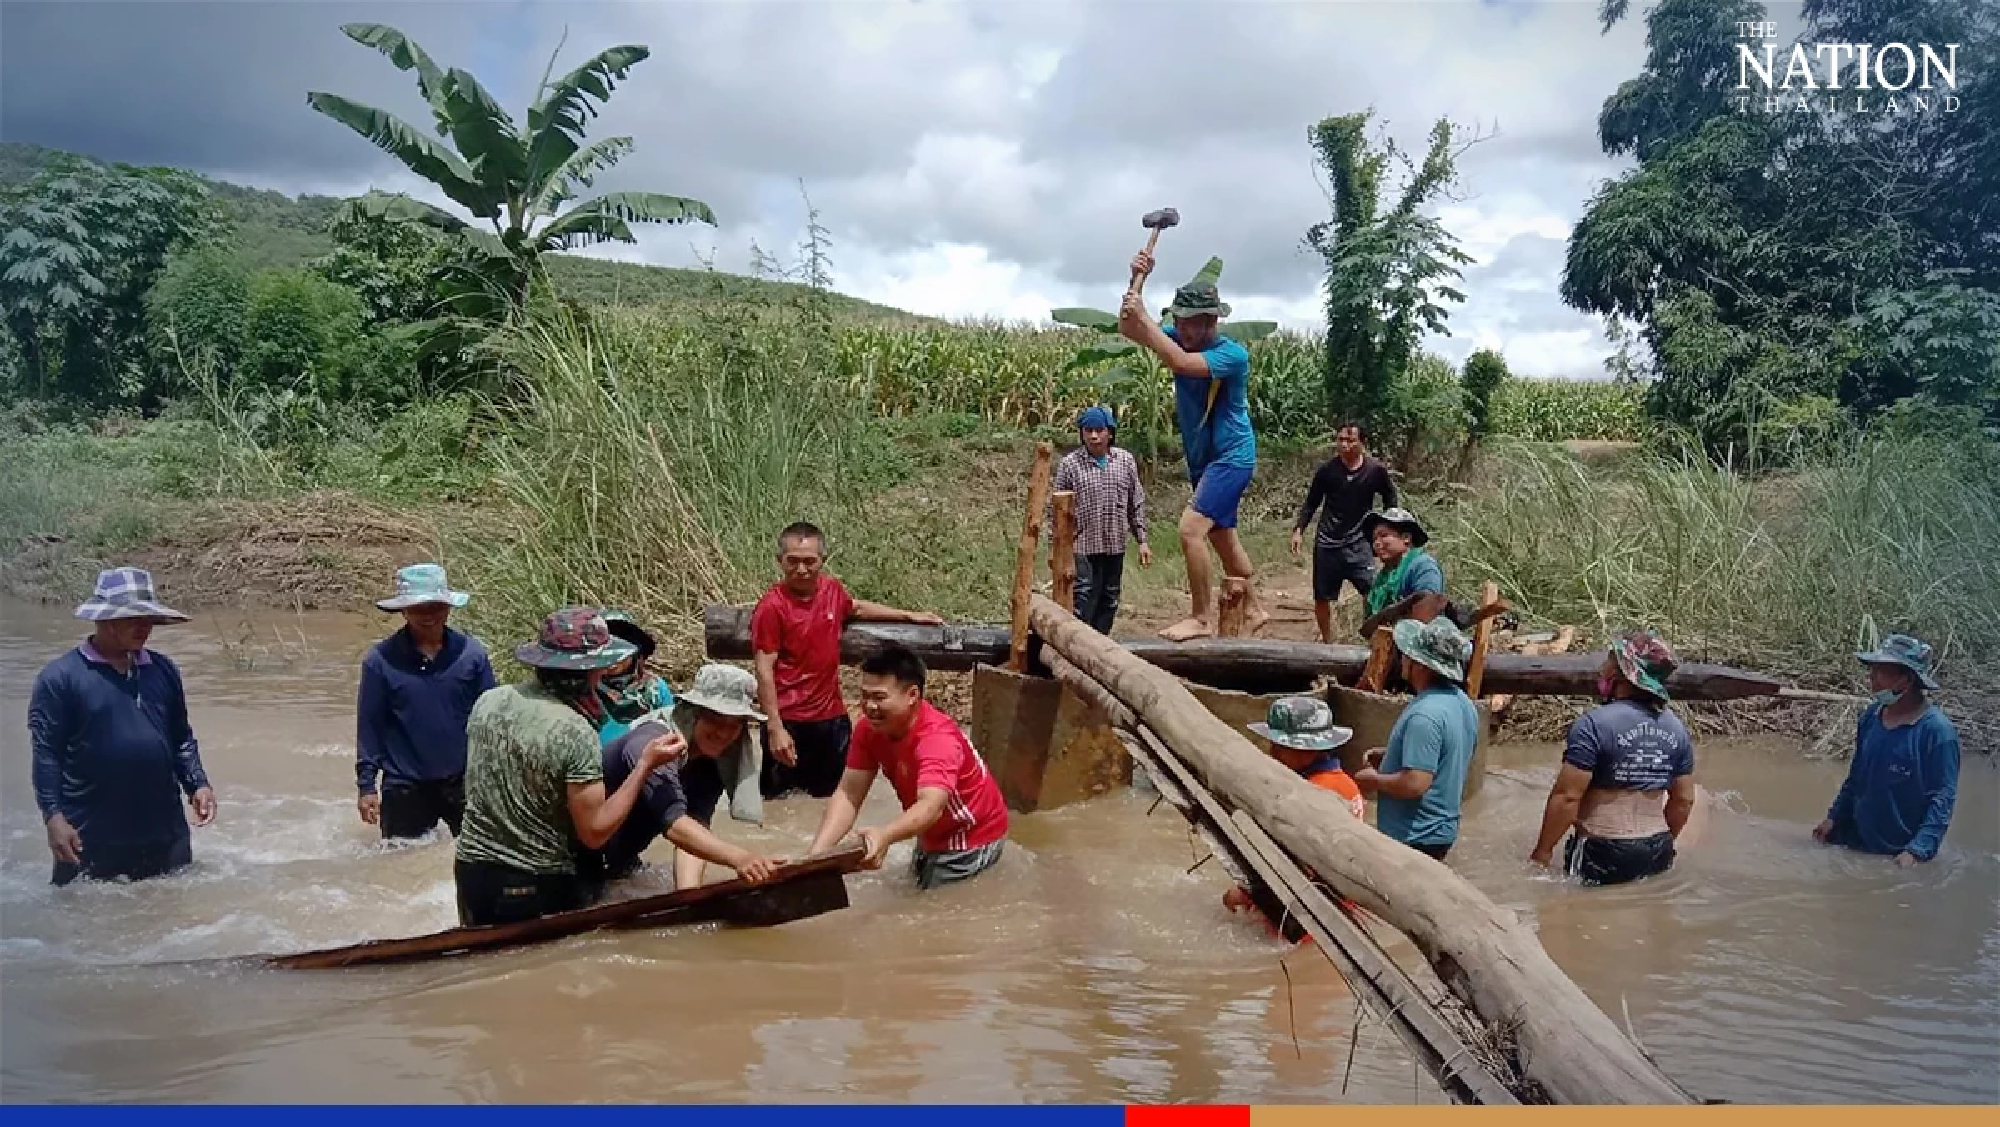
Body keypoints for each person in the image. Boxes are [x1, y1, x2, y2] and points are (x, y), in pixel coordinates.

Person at [453, 607, 681, 926]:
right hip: (537, 883)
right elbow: (595, 833)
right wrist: (644, 765)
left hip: (470, 874)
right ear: (591, 670)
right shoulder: (575, 731)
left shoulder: (489, 701)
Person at [29, 567, 217, 887]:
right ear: (105, 620)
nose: (144, 626)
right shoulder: (60, 678)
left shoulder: (163, 670)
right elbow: (47, 754)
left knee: (174, 909)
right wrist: (53, 817)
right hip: (91, 835)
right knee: (83, 912)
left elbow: (180, 737)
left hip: (163, 832)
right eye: (132, 618)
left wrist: (198, 784)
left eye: (148, 618)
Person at [1118, 254, 1267, 642]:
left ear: (1211, 321)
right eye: (1179, 321)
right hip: (1205, 460)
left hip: (1231, 457)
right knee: (1223, 538)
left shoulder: (1231, 354)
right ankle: (1254, 608)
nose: (1183, 328)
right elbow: (1128, 327)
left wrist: (1146, 317)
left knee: (1190, 530)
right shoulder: (1176, 334)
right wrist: (1136, 280)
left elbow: (1181, 363)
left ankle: (1200, 618)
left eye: (1192, 322)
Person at [751, 521, 944, 801]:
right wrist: (775, 728)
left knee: (836, 799)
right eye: (793, 561)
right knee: (780, 807)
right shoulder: (772, 607)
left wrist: (909, 615)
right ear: (779, 560)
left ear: (822, 560)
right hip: (790, 721)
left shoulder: (832, 590)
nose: (801, 569)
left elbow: (857, 608)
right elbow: (763, 668)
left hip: (832, 720)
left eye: (809, 561)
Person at [807, 645, 1009, 890]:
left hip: (969, 837)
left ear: (912, 695)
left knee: (933, 908)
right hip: (930, 831)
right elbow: (849, 793)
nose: (869, 706)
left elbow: (931, 806)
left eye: (879, 697)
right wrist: (815, 858)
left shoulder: (937, 740)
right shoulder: (868, 730)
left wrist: (885, 835)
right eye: (864, 696)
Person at [575, 664, 783, 895]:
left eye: (734, 725)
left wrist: (688, 896)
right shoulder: (653, 744)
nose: (723, 733)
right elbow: (673, 823)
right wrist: (739, 858)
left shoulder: (712, 759)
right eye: (714, 719)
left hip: (617, 862)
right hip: (571, 862)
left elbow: (695, 826)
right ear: (692, 714)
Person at [1529, 629, 1698, 885]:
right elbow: (1684, 800)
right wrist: (1663, 844)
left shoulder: (1592, 724)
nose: (1602, 669)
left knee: (1577, 909)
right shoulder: (1677, 729)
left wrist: (1542, 853)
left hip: (1603, 849)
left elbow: (1567, 797)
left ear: (1621, 674)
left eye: (1609, 661)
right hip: (1659, 847)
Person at [355, 563, 496, 841]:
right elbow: (370, 726)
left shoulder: (471, 655)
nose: (429, 615)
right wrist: (367, 786)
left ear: (448, 607)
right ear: (404, 611)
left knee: (481, 855)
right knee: (401, 862)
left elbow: (492, 718)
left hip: (464, 780)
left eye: (436, 606)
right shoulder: (380, 661)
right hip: (404, 785)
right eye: (419, 608)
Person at [1814, 634, 1961, 866]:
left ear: (1906, 680)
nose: (1871, 677)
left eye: (1881, 671)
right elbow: (1856, 778)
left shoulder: (1937, 732)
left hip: (1896, 853)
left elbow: (1942, 799)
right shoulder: (1871, 717)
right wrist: (1833, 818)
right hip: (1853, 839)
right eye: (1872, 669)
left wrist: (1916, 851)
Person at [1224, 696, 1367, 934]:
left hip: (1308, 913)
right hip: (1338, 909)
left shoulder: (1310, 795)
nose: (1272, 752)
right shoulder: (1344, 783)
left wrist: (1247, 894)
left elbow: (1298, 865)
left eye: (1281, 746)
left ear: (1306, 749)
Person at [1354, 618, 1480, 861]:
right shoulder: (1462, 703)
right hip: (1440, 832)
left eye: (1407, 654)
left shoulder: (1425, 715)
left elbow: (1415, 783)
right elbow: (1447, 755)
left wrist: (1374, 780)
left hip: (1415, 836)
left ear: (1420, 665)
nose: (1402, 658)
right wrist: (1393, 755)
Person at [1048, 404, 1153, 634]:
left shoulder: (1124, 461)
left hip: (1114, 542)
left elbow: (1135, 502)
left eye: (1099, 430)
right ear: (1082, 434)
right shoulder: (1070, 464)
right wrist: (1054, 548)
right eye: (1088, 431)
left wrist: (1142, 540)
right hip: (1082, 543)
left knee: (1110, 596)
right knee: (1083, 595)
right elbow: (1056, 509)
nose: (1094, 436)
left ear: (1110, 433)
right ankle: (1078, 642)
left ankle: (1101, 642)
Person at [1292, 422, 1398, 643]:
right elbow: (1311, 502)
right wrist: (1299, 530)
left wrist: (1388, 526)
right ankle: (1328, 643)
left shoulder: (1375, 470)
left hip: (1360, 543)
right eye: (1340, 439)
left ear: (1362, 443)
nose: (1344, 445)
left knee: (1372, 593)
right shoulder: (1327, 471)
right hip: (1327, 543)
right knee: (1322, 598)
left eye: (1350, 440)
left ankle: (1373, 641)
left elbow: (1390, 497)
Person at [1355, 507, 1447, 641]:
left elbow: (1428, 610)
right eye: (1374, 539)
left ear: (1406, 538)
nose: (1377, 543)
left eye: (1383, 535)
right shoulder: (1381, 580)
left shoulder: (1422, 566)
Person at [594, 610, 675, 747]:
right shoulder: (587, 688)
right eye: (605, 649)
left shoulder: (655, 689)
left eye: (620, 649)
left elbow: (671, 733)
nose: (612, 656)